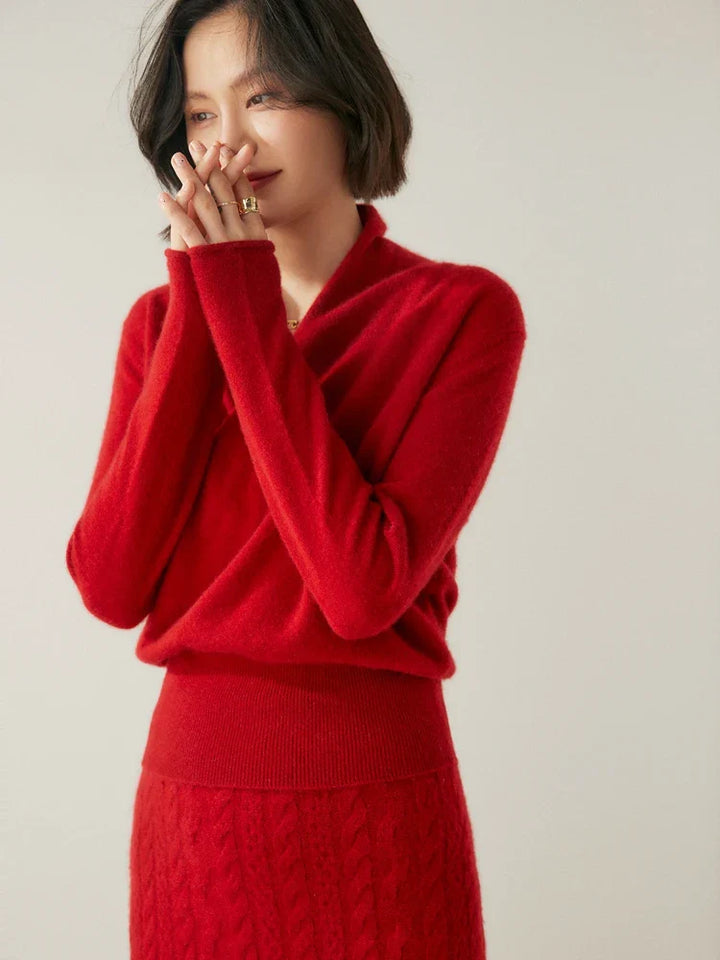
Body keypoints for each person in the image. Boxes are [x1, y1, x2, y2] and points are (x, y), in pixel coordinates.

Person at [65, 1, 527, 957]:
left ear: (345, 98)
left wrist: (238, 297)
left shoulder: (457, 311)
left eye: (265, 95)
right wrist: (205, 305)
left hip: (382, 813)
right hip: (197, 819)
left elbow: (359, 591)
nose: (229, 141)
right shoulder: (159, 327)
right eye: (201, 113)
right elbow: (110, 585)